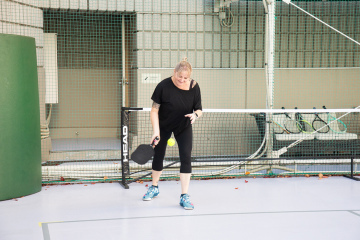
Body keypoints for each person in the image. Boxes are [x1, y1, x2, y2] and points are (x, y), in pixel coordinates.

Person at [142, 58, 202, 210]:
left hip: (184, 126)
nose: (182, 80)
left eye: (185, 78)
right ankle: (154, 187)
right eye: (179, 77)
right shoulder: (163, 86)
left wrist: (195, 115)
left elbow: (199, 109)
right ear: (174, 72)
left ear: (190, 76)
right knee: (158, 155)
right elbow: (154, 110)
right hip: (164, 125)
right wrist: (156, 131)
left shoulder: (194, 87)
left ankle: (184, 195)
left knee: (186, 157)